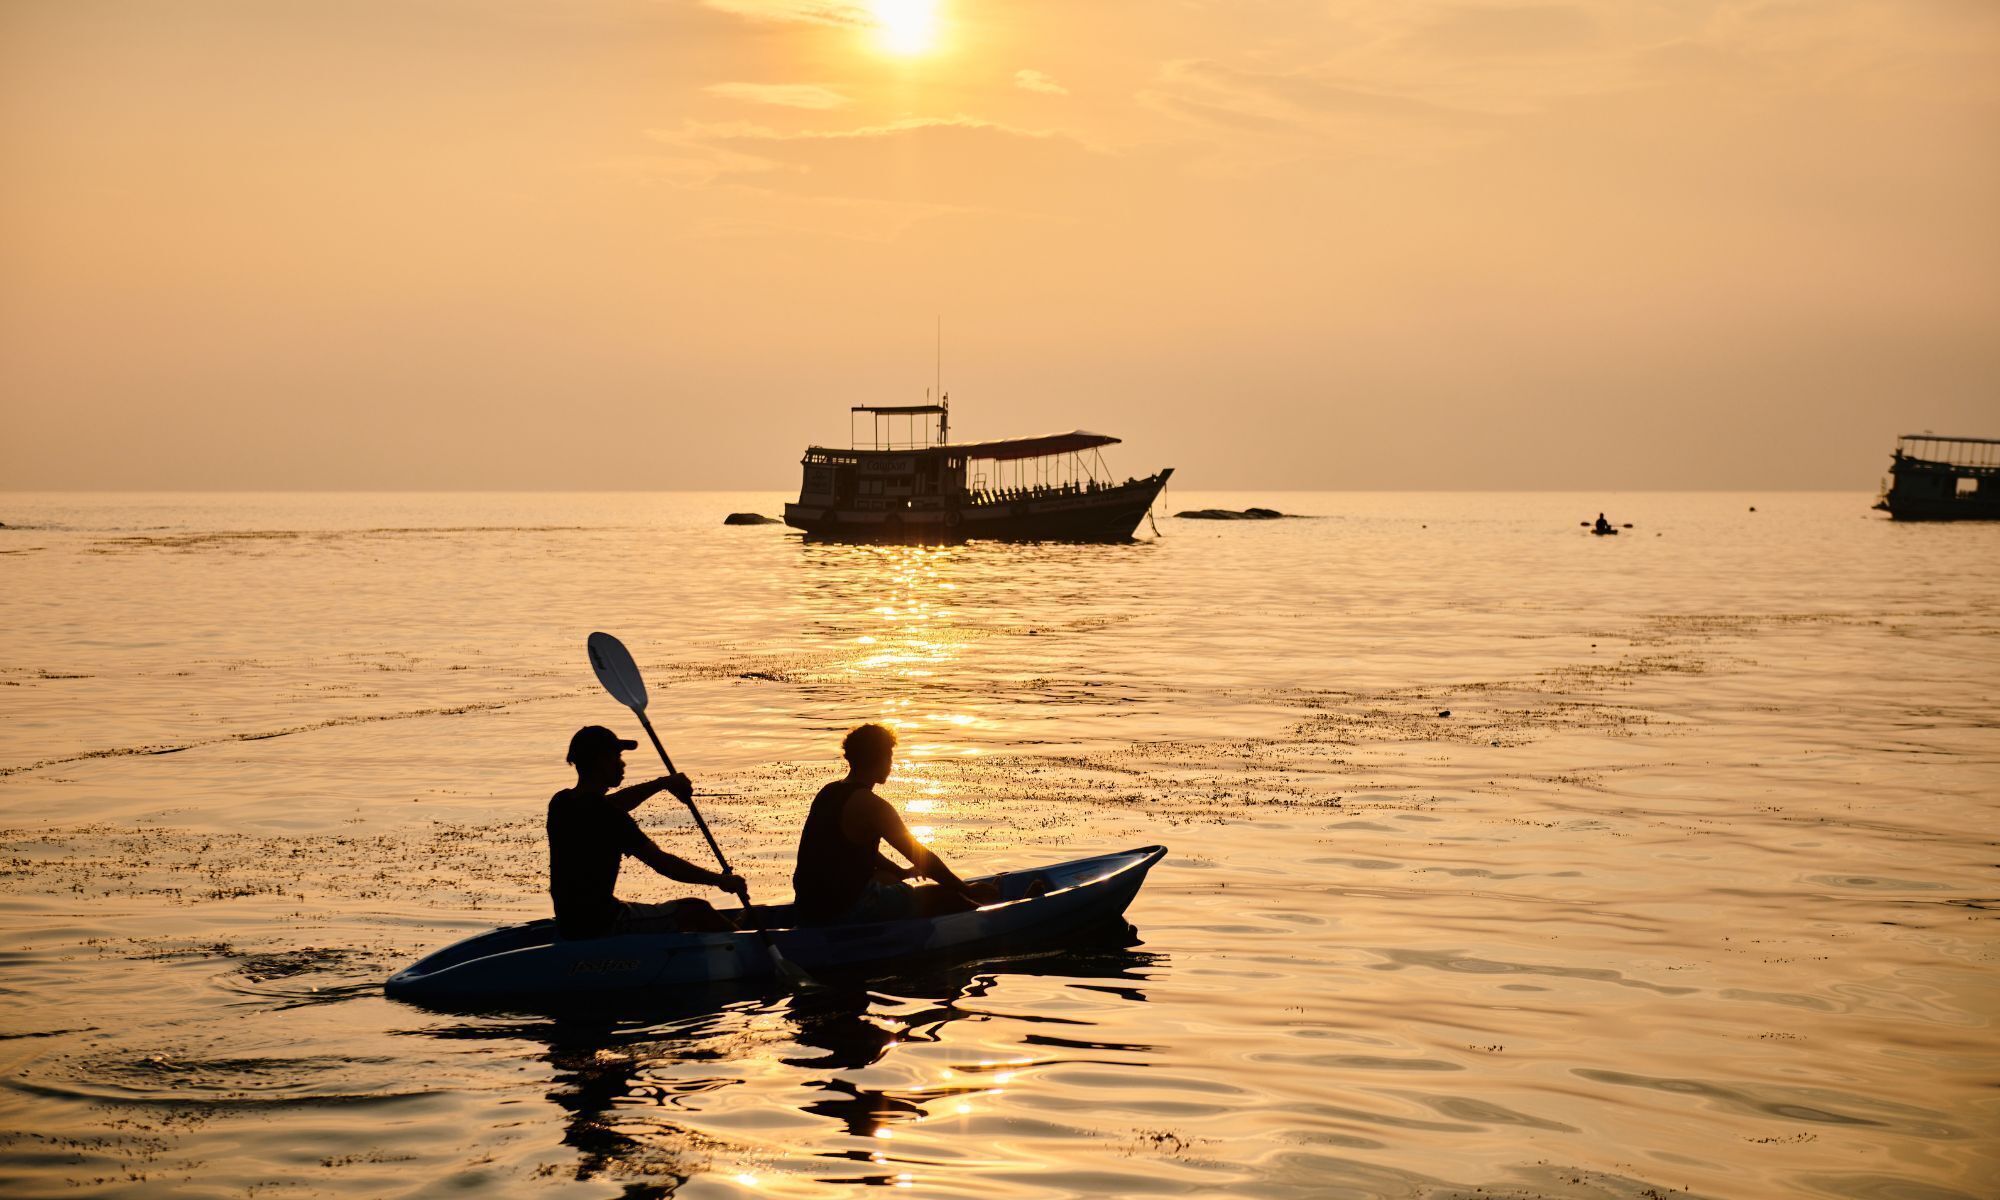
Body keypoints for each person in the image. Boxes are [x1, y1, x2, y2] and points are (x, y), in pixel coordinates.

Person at [547, 725, 745, 939]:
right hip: (603, 924)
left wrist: (663, 784)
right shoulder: (609, 815)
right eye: (616, 756)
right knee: (696, 910)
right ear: (600, 761)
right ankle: (748, 946)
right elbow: (663, 864)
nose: (622, 763)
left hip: (568, 924)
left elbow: (612, 803)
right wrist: (720, 880)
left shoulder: (562, 803)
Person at [792, 723, 998, 925]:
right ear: (879, 758)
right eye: (889, 756)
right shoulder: (873, 806)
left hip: (808, 907)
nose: (891, 764)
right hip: (846, 910)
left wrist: (901, 872)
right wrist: (965, 889)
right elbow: (921, 856)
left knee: (888, 877)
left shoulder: (827, 792)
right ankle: (992, 919)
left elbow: (851, 851)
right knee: (945, 897)